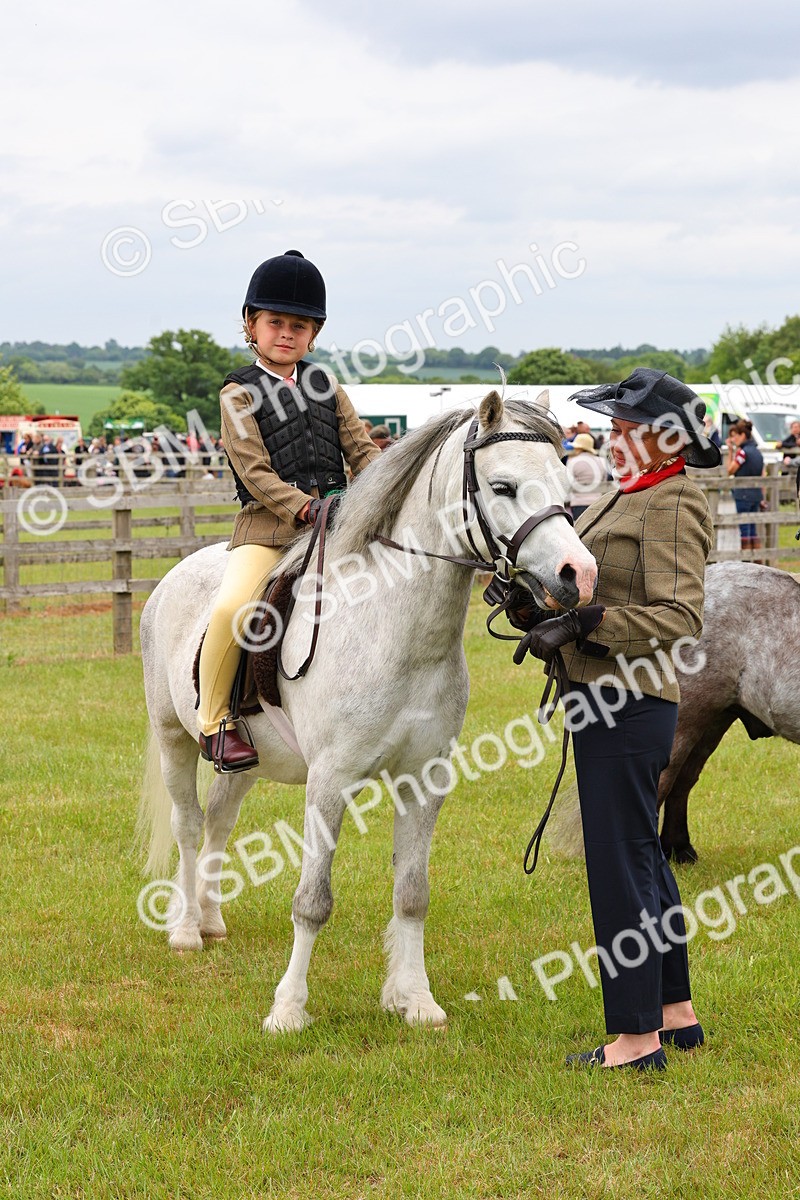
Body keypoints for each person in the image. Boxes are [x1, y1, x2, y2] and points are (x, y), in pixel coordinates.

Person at [514, 368, 720, 1070]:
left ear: (668, 438)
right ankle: (674, 1013)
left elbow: (679, 615)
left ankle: (634, 1041)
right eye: (614, 428)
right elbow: (591, 579)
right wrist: (541, 609)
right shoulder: (628, 492)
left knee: (619, 869)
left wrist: (589, 626)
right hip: (608, 699)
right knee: (640, 859)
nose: (613, 439)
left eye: (628, 430)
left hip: (631, 703)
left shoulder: (673, 499)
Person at [197, 249, 380, 771]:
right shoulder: (238, 392)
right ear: (251, 324)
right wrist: (305, 508)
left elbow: (362, 451)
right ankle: (215, 721)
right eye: (275, 322)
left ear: (313, 333)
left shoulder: (326, 385)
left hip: (337, 526)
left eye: (299, 325)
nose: (286, 333)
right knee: (234, 608)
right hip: (269, 529)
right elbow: (254, 472)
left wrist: (384, 488)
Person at [726, 419, 764, 553]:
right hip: (756, 495)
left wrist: (731, 451)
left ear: (743, 435)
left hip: (743, 494)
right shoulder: (758, 452)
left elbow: (730, 470)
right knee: (753, 529)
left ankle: (747, 562)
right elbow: (763, 474)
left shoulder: (742, 452)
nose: (733, 439)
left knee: (745, 530)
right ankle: (757, 561)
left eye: (735, 436)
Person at [565, 432, 606, 519]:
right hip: (597, 502)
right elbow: (604, 481)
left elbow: (568, 483)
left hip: (578, 503)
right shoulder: (601, 461)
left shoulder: (572, 461)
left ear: (578, 447)